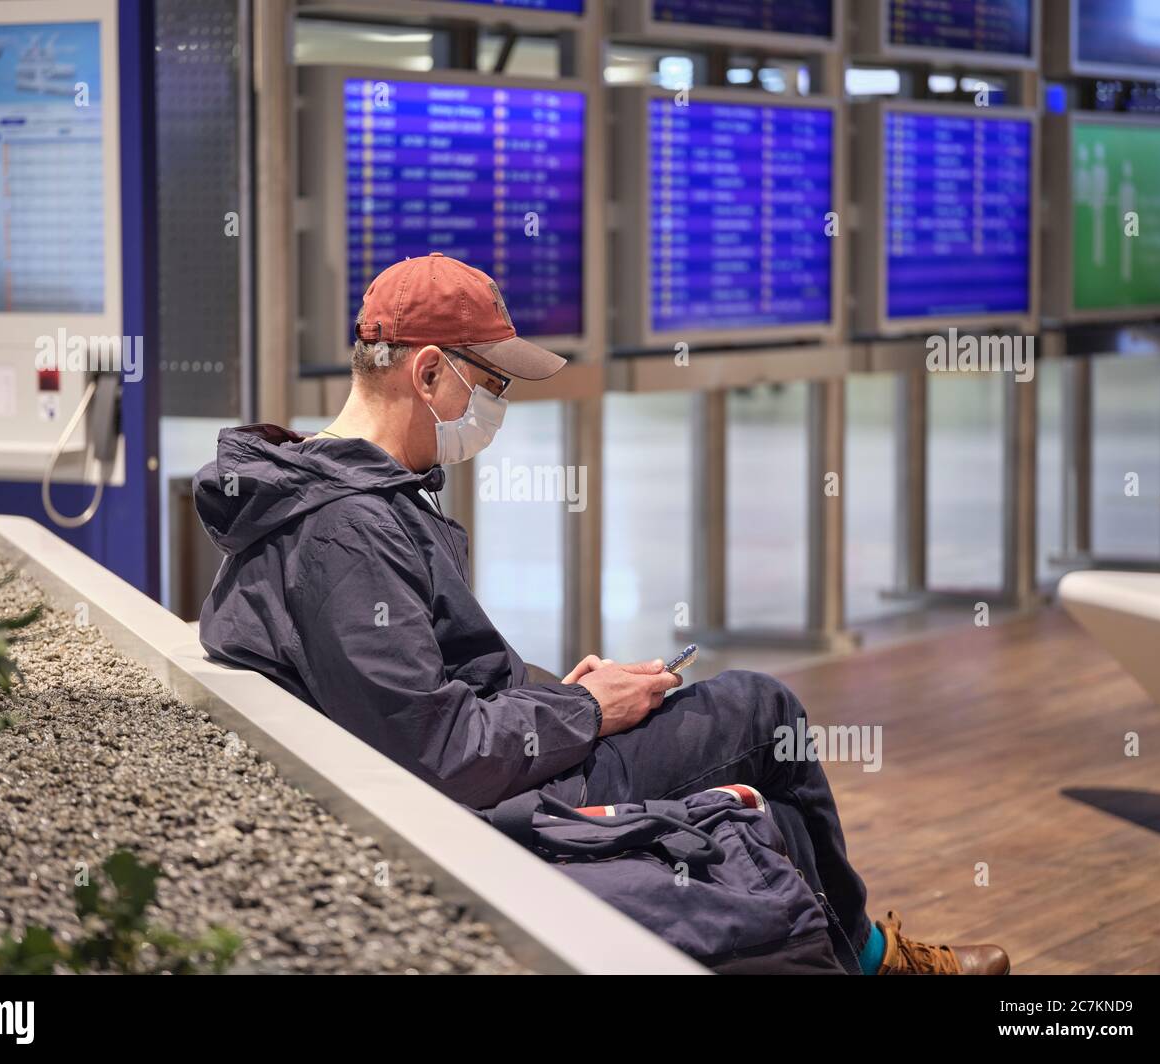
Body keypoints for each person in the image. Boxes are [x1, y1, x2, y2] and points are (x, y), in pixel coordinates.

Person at [194, 253, 1009, 975]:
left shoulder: (339, 495)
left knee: (775, 789)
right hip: (495, 800)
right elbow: (439, 751)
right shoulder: (347, 533)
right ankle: (877, 961)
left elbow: (432, 697)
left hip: (505, 763)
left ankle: (863, 957)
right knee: (763, 714)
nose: (498, 405)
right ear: (430, 372)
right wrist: (585, 710)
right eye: (492, 383)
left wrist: (559, 697)